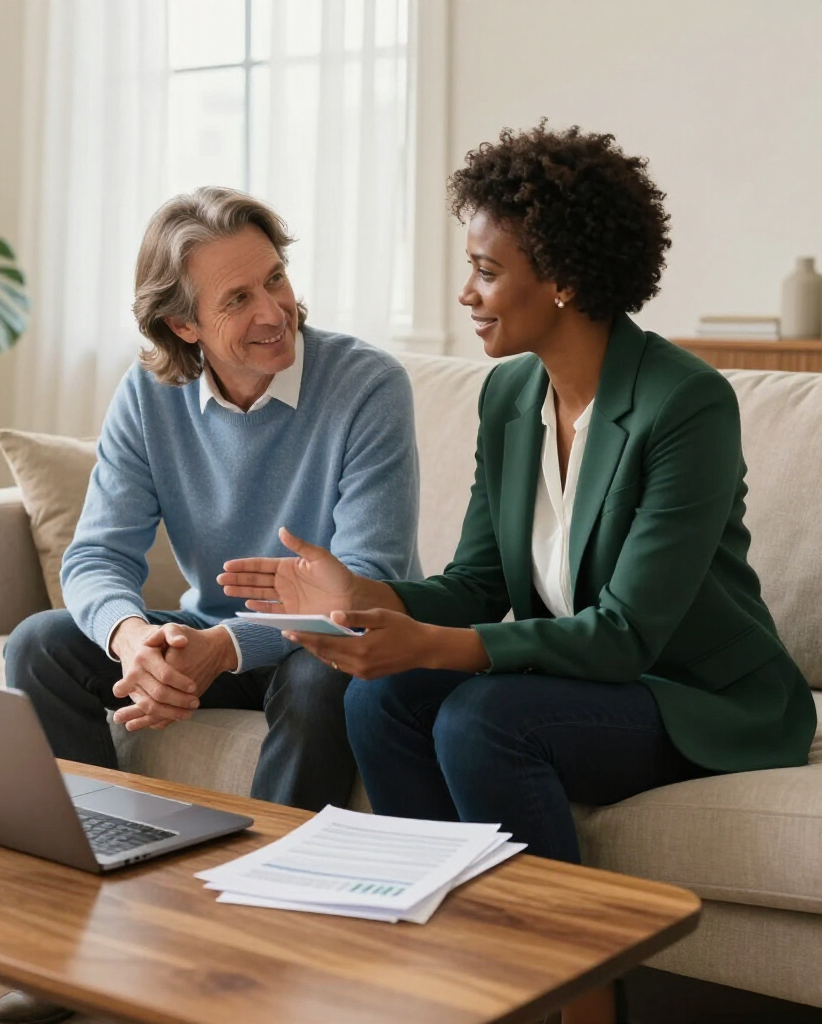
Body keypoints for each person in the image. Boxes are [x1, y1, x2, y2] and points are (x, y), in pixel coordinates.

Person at [218, 125, 817, 1024]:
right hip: (585, 680)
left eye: (487, 271)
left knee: (483, 719)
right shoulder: (508, 396)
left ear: (565, 280)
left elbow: (625, 635)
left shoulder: (684, 404)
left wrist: (440, 646)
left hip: (697, 696)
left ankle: (580, 998)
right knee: (380, 698)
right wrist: (361, 597)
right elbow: (473, 582)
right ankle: (454, 965)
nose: (467, 293)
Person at [0, 186, 420, 1024]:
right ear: (183, 325)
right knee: (40, 646)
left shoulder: (367, 386)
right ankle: (85, 933)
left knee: (323, 679)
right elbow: (97, 555)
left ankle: (254, 948)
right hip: (213, 631)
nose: (275, 311)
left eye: (277, 279)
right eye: (239, 298)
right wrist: (133, 637)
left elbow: (362, 580)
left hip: (330, 642)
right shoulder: (149, 395)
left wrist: (225, 646)